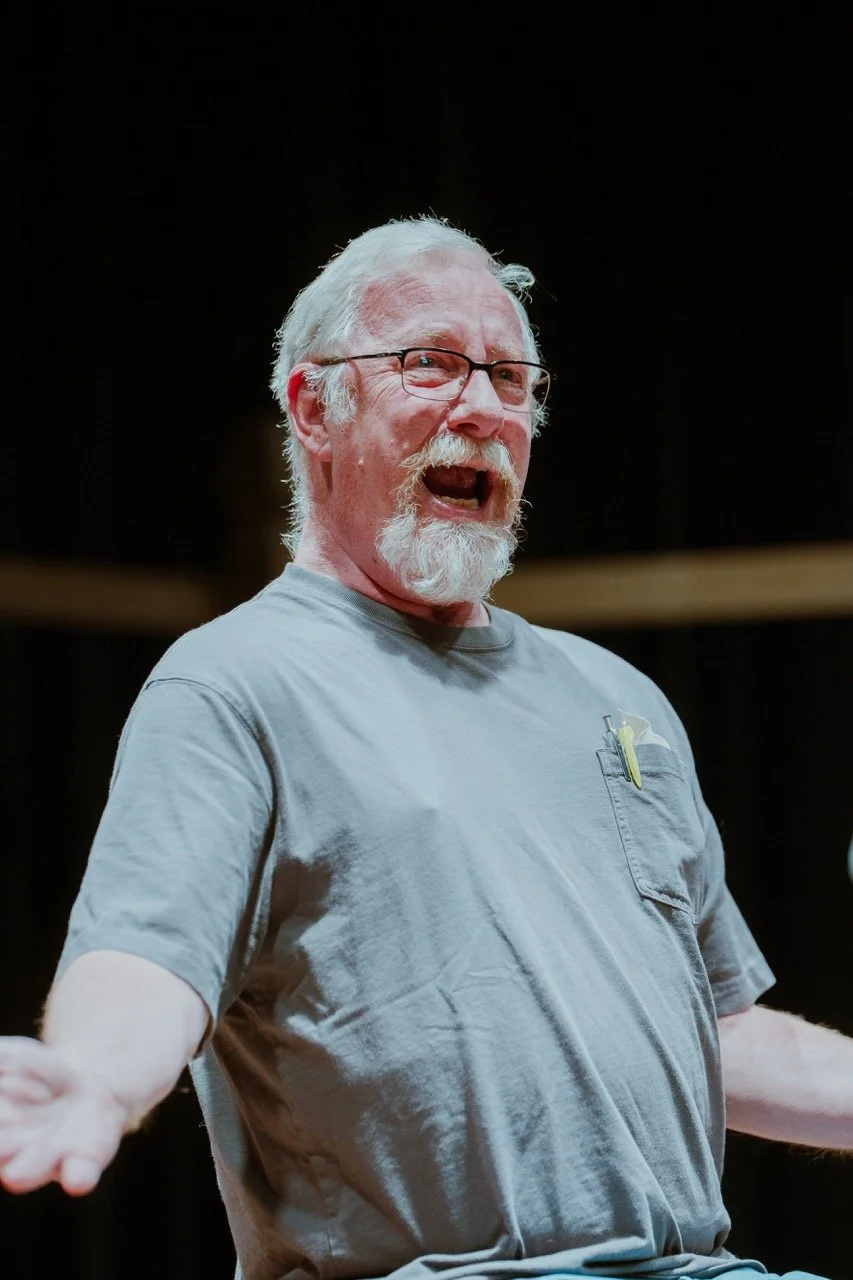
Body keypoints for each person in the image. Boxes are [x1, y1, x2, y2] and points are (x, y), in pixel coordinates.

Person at [0, 216, 849, 1280]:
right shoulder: (234, 682)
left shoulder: (616, 699)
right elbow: (146, 956)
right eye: (430, 364)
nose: (482, 408)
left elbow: (718, 1036)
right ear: (314, 407)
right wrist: (92, 1073)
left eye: (509, 377)